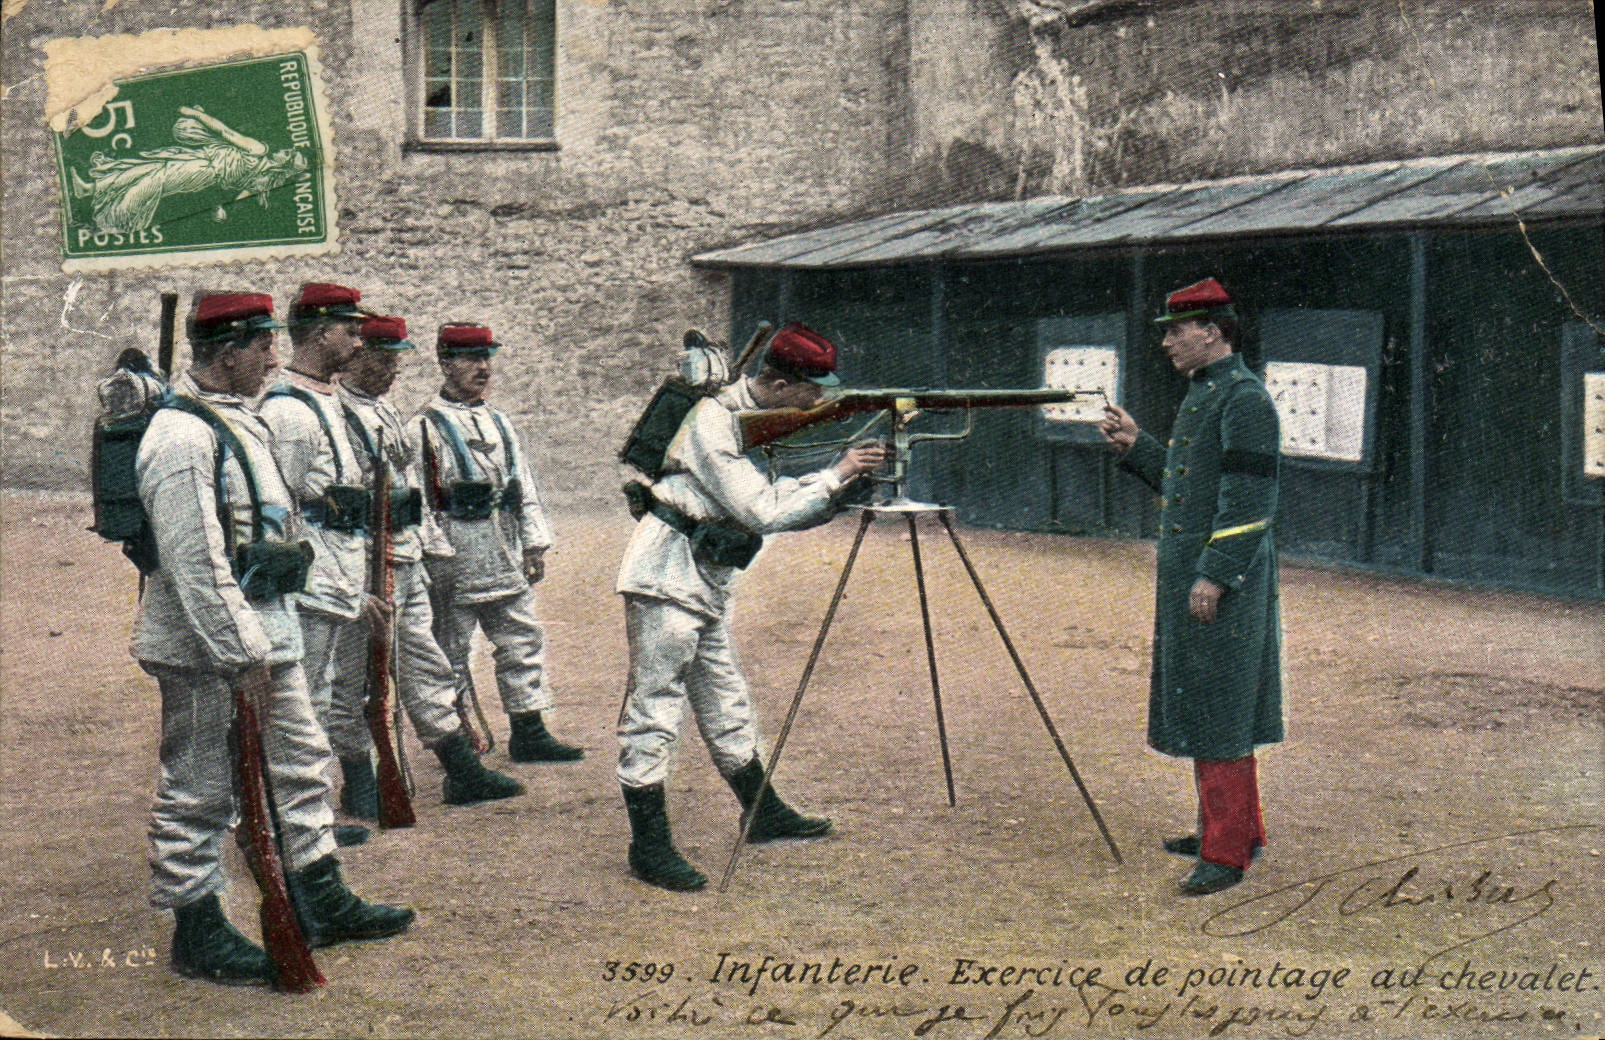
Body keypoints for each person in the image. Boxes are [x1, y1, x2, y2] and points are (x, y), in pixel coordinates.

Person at [134, 292, 411, 986]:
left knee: (299, 761)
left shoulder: (243, 422)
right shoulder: (180, 435)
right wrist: (239, 653)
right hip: (205, 646)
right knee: (198, 788)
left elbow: (279, 527)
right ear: (227, 353)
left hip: (271, 626)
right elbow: (194, 559)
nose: (274, 357)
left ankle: (319, 896)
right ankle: (197, 930)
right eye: (262, 347)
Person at [614, 322, 888, 891]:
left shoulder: (742, 421)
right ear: (782, 383)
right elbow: (761, 509)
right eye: (813, 391)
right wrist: (835, 474)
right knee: (656, 705)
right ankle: (649, 845)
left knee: (724, 694)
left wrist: (838, 492)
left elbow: (770, 504)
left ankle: (762, 810)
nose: (821, 401)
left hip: (707, 572)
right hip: (667, 573)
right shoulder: (711, 421)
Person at [1097, 277, 1284, 896]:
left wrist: (1215, 573)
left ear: (1213, 331)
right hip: (1197, 572)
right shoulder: (1210, 392)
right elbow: (1189, 488)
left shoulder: (1244, 399)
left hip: (1220, 577)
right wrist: (1139, 446)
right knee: (1214, 697)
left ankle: (1225, 851)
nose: (1167, 343)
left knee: (1220, 703)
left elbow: (1250, 499)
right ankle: (1232, 828)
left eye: (1176, 331)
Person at [337, 316, 526, 807]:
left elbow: (412, 491)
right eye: (382, 357)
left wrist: (431, 548)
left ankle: (461, 769)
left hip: (404, 556)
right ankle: (359, 783)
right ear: (353, 354)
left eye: (397, 357)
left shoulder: (386, 411)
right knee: (350, 680)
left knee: (427, 663)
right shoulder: (333, 412)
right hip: (360, 565)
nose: (393, 368)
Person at [414, 323, 584, 765]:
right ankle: (459, 745)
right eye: (471, 359)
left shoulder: (500, 422)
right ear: (445, 363)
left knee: (521, 639)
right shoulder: (425, 427)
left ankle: (529, 729)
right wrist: (435, 558)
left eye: (487, 358)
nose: (483, 368)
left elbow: (521, 486)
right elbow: (422, 502)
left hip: (503, 549)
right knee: (449, 651)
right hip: (456, 553)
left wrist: (533, 544)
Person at [69, 106, 307, 233]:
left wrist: (196, 114)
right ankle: (90, 188)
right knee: (147, 167)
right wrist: (223, 208)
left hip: (202, 168)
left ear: (283, 163)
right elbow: (241, 196)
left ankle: (113, 216)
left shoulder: (258, 150)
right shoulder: (261, 179)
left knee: (155, 177)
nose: (283, 150)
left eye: (287, 154)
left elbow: (226, 132)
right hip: (199, 160)